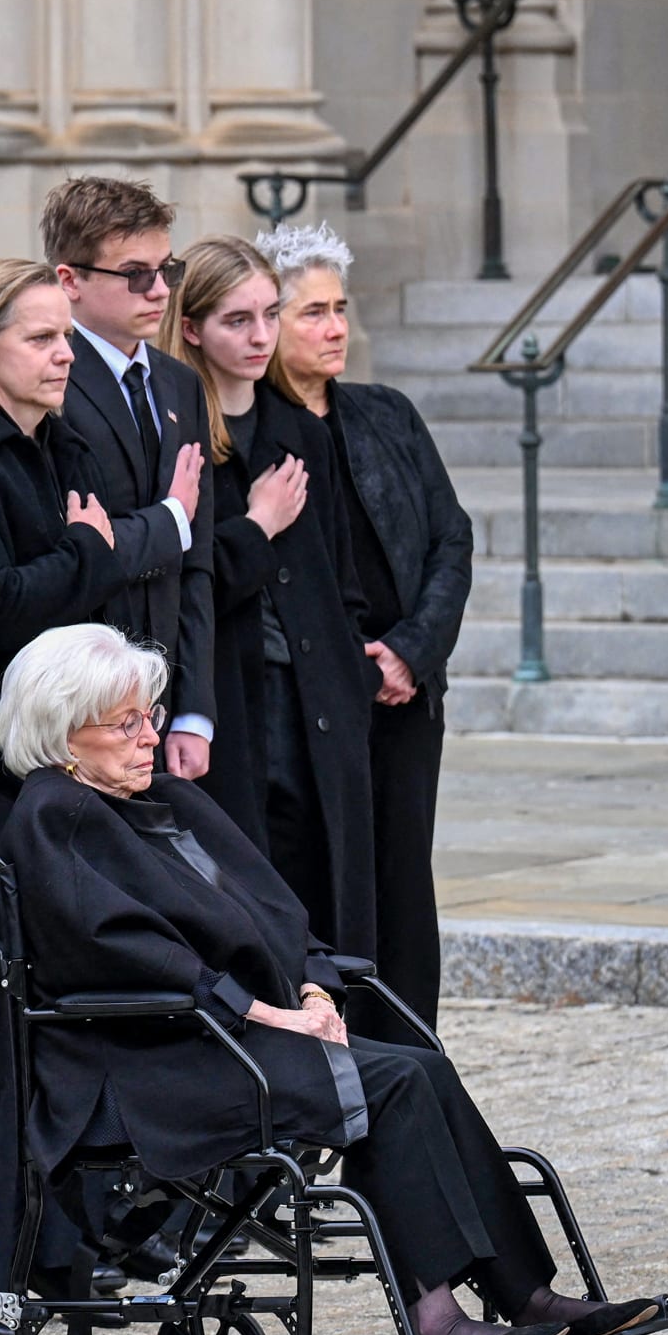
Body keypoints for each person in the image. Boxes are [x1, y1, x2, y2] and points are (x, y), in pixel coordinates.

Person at [0, 623, 665, 1335]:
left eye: (150, 714)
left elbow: (274, 907)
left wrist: (313, 987)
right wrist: (269, 1012)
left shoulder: (171, 800)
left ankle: (525, 1292)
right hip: (148, 1060)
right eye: (127, 722)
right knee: (393, 1083)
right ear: (62, 734)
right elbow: (121, 950)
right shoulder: (53, 813)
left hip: (228, 1036)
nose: (150, 734)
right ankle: (436, 1319)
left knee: (420, 1064)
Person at [0, 257, 199, 1335]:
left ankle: (66, 1249)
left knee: (65, 1024)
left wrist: (88, 556)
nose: (65, 356)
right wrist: (85, 547)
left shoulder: (64, 441)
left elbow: (90, 587)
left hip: (74, 770)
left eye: (68, 337)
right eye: (41, 338)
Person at [259, 222, 473, 1024]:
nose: (335, 326)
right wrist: (352, 667)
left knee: (403, 880)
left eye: (340, 308)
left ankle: (416, 1055)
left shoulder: (387, 414)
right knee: (326, 880)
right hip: (312, 699)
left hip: (404, 695)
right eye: (311, 312)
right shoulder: (257, 434)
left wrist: (413, 652)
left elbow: (452, 535)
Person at [157, 235, 379, 959]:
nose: (260, 337)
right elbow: (181, 580)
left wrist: (355, 676)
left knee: (332, 887)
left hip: (317, 697)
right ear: (191, 328)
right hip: (232, 698)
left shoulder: (298, 432)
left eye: (269, 315)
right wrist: (255, 526)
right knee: (255, 888)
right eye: (236, 320)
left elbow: (339, 579)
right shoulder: (179, 439)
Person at [43, 175, 215, 776]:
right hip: (84, 706)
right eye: (137, 274)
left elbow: (196, 561)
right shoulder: (50, 381)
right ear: (71, 280)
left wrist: (192, 711)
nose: (161, 290)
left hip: (162, 701)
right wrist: (168, 520)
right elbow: (82, 545)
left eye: (170, 270)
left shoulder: (179, 382)